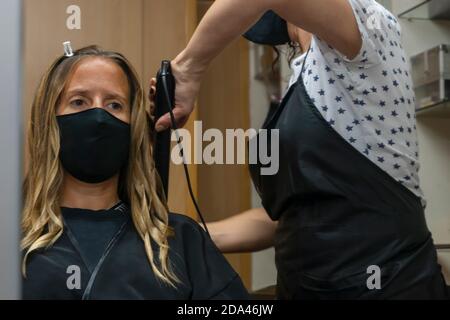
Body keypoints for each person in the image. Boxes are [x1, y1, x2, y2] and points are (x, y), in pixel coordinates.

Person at [155, 0, 449, 299]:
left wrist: (188, 68)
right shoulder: (305, 77)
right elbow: (292, 217)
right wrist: (183, 237)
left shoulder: (371, 25)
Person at [21, 45, 248, 300]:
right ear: (48, 119)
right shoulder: (13, 239)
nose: (98, 116)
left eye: (115, 105)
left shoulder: (180, 239)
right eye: (79, 101)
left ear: (135, 126)